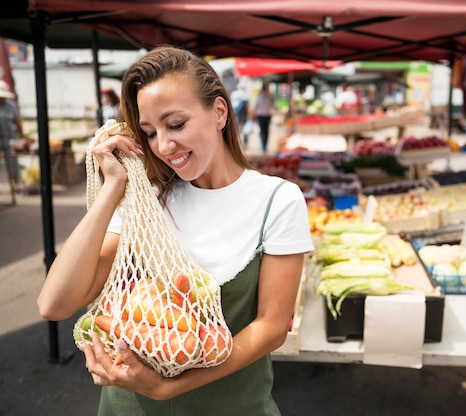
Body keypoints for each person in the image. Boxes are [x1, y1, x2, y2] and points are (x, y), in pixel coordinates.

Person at [37, 45, 314, 415]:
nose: (164, 146)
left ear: (218, 112)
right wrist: (112, 189)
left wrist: (168, 387)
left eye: (176, 124)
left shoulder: (277, 200)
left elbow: (272, 326)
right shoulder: (145, 201)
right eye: (149, 132)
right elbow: (54, 303)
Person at [0, 80, 24, 192]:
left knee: (12, 161)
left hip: (10, 138)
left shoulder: (11, 106)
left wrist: (23, 138)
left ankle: (14, 182)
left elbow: (18, 123)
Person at [251, 82, 276, 153]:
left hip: (260, 115)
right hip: (267, 115)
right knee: (266, 131)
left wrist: (252, 115)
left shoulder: (259, 96)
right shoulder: (269, 97)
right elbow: (273, 106)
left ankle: (263, 146)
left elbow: (255, 106)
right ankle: (264, 145)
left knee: (262, 131)